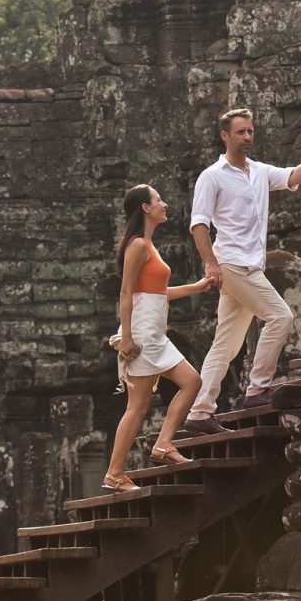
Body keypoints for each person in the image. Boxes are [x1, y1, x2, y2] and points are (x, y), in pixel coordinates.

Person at [185, 107, 301, 431]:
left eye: (250, 131)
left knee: (226, 343)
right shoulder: (212, 176)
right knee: (281, 316)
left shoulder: (260, 172)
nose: (248, 137)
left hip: (250, 264)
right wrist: (210, 263)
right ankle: (257, 389)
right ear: (225, 135)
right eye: (241, 132)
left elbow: (291, 176)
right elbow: (199, 225)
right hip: (232, 264)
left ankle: (200, 412)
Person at [103, 184, 213, 492]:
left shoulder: (148, 245)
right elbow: (126, 292)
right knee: (137, 407)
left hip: (155, 332)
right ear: (146, 208)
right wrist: (125, 337)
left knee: (191, 382)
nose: (164, 203)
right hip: (141, 332)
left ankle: (163, 444)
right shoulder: (137, 245)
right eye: (158, 200)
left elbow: (156, 293)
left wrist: (196, 287)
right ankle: (114, 474)